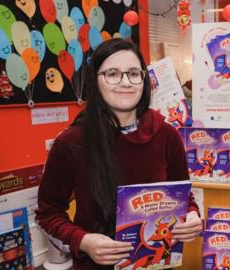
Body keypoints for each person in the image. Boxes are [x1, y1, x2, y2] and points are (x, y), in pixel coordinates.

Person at [36, 38, 202, 269]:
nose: (126, 82)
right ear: (95, 82)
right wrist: (83, 241)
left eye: (134, 73)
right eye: (112, 74)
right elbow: (48, 212)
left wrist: (192, 217)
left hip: (156, 262)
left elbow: (185, 198)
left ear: (144, 80)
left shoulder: (166, 134)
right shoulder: (71, 142)